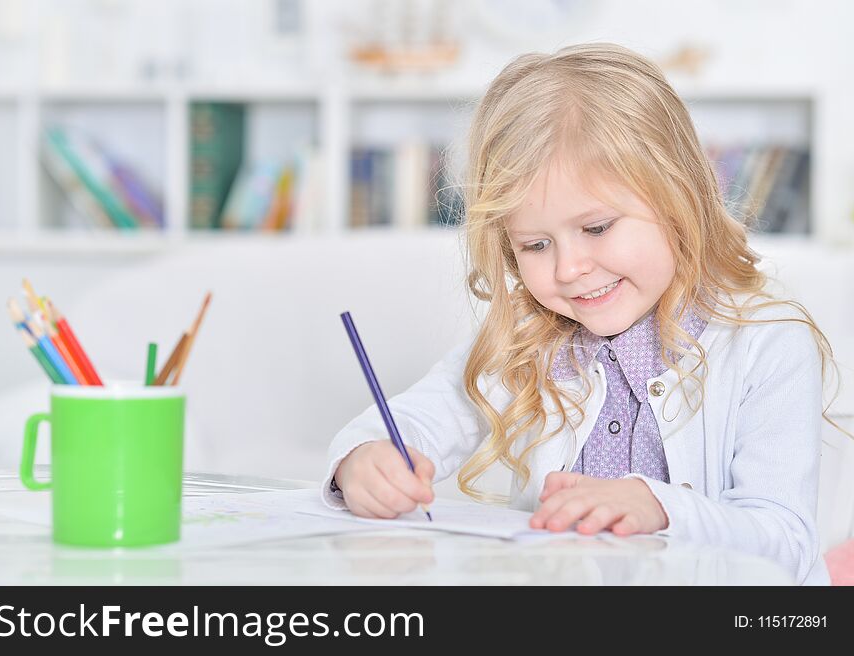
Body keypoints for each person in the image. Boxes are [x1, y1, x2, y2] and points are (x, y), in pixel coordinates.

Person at [322, 43, 844, 585]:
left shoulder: (767, 343)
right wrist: (364, 459)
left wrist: (662, 509)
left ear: (678, 199)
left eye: (596, 228)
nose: (569, 268)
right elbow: (413, 420)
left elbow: (783, 542)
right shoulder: (529, 339)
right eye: (535, 245)